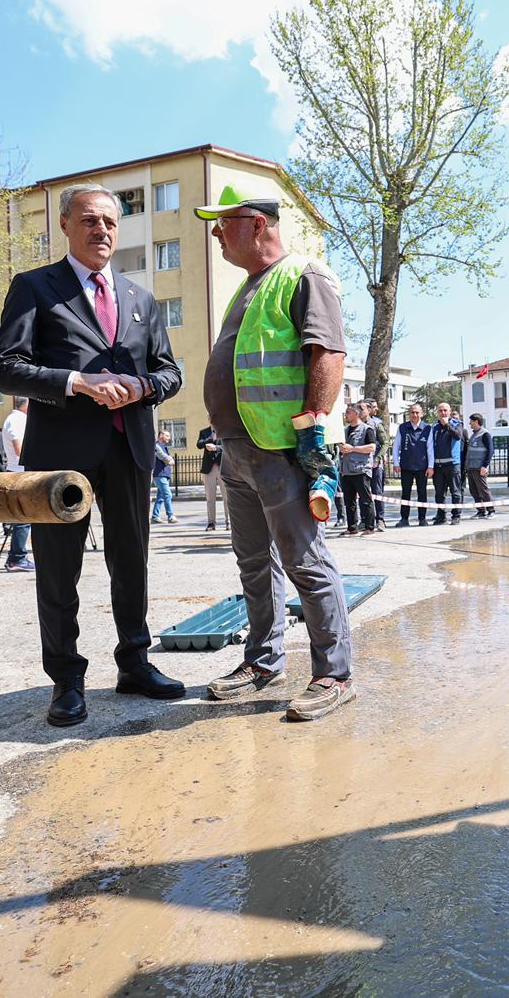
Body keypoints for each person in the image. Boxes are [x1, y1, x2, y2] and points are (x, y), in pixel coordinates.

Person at [0, 183, 186, 727]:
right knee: (58, 570)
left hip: (129, 446)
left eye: (109, 222)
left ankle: (135, 663)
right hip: (61, 454)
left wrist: (143, 388)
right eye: (90, 221)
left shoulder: (140, 298)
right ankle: (67, 681)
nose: (101, 230)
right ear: (66, 226)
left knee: (132, 563)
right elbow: (7, 367)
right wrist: (77, 382)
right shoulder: (33, 287)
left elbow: (170, 371)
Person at [196, 184, 356, 722]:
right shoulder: (248, 288)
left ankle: (334, 673)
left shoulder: (303, 276)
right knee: (253, 563)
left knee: (304, 561)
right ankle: (263, 662)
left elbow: (327, 351)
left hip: (281, 448)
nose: (216, 232)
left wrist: (311, 430)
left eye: (224, 222)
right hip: (238, 448)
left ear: (257, 223)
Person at [0, 397, 35, 571]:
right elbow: (19, 449)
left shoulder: (17, 419)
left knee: (24, 518)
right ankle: (17, 558)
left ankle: (17, 557)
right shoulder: (16, 420)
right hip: (20, 472)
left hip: (20, 471)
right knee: (23, 518)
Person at [339, 403, 379, 535]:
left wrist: (353, 449)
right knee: (349, 501)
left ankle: (369, 527)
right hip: (346, 470)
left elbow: (372, 448)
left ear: (356, 414)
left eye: (348, 412)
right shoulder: (344, 431)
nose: (346, 415)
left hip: (361, 470)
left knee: (365, 500)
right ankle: (352, 527)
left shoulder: (367, 429)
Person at [394, 403, 435, 526]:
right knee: (405, 493)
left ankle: (422, 518)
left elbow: (430, 449)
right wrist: (396, 463)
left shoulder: (427, 428)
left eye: (417, 412)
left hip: (422, 468)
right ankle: (404, 519)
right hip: (406, 467)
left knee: (422, 493)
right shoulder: (402, 428)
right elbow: (396, 446)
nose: (415, 415)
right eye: (412, 412)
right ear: (409, 414)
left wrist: (430, 466)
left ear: (421, 414)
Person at [430, 401, 465, 526]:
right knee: (439, 493)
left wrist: (447, 425)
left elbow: (458, 436)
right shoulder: (434, 427)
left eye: (445, 410)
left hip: (452, 464)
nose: (443, 413)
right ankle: (441, 515)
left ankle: (456, 516)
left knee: (455, 492)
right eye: (440, 410)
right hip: (438, 465)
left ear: (450, 412)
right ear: (437, 412)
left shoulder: (457, 424)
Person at [361, 398, 388, 528]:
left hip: (375, 465)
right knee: (362, 493)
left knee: (377, 492)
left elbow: (385, 443)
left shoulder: (376, 424)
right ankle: (364, 520)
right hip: (360, 465)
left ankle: (380, 519)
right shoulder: (355, 424)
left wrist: (378, 459)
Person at [465, 413, 496, 518]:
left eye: (471, 422)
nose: (469, 424)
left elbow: (490, 451)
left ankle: (491, 511)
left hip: (479, 468)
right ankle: (481, 511)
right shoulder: (474, 434)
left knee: (483, 490)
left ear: (476, 421)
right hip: (471, 468)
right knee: (474, 491)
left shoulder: (484, 434)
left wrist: (485, 466)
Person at [196, 420, 224, 530]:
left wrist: (216, 448)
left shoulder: (224, 430)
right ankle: (211, 523)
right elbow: (199, 444)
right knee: (210, 497)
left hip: (222, 467)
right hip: (209, 468)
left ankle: (228, 522)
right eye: (210, 418)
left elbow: (228, 446)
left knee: (227, 497)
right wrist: (210, 439)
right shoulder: (204, 432)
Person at [150, 429, 177, 523]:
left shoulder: (163, 446)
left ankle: (155, 516)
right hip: (159, 475)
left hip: (164, 474)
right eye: (167, 436)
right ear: (161, 435)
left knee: (160, 497)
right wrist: (170, 459)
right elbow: (162, 455)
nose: (169, 438)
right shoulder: (156, 445)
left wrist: (169, 460)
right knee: (167, 494)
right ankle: (170, 516)